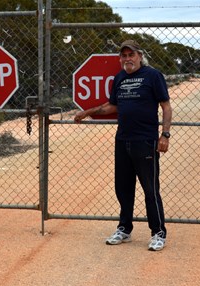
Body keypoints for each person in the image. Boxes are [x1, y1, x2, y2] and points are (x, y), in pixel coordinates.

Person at [74, 40, 172, 251]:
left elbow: (166, 106)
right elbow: (112, 105)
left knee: (150, 189)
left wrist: (165, 135)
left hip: (145, 141)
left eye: (131, 55)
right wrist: (87, 112)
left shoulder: (152, 76)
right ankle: (124, 229)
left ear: (140, 56)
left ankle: (158, 232)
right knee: (123, 188)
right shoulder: (119, 78)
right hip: (123, 140)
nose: (127, 59)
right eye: (124, 56)